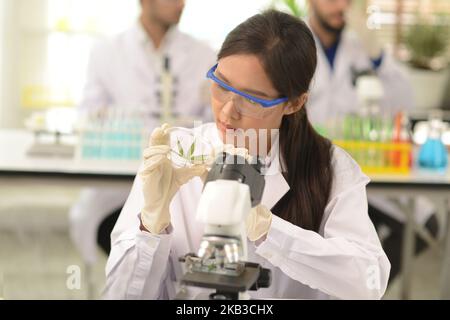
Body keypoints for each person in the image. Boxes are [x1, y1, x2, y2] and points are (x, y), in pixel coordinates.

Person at [103, 10, 390, 300]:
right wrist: (149, 226)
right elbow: (120, 295)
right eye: (221, 85)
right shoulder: (176, 152)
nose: (228, 112)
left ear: (293, 103)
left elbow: (369, 282)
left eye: (252, 99)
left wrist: (269, 231)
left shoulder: (330, 167)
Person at [69, 0, 216, 267]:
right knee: (129, 241)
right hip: (118, 190)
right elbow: (89, 117)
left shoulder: (204, 54)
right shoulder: (107, 52)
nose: (181, 4)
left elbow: (214, 126)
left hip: (183, 187)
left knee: (183, 244)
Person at [305, 0, 439, 283]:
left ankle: (361, 290)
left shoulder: (362, 49)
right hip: (311, 172)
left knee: (426, 223)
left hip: (366, 170)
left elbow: (405, 101)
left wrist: (376, 55)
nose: (340, 5)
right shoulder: (292, 45)